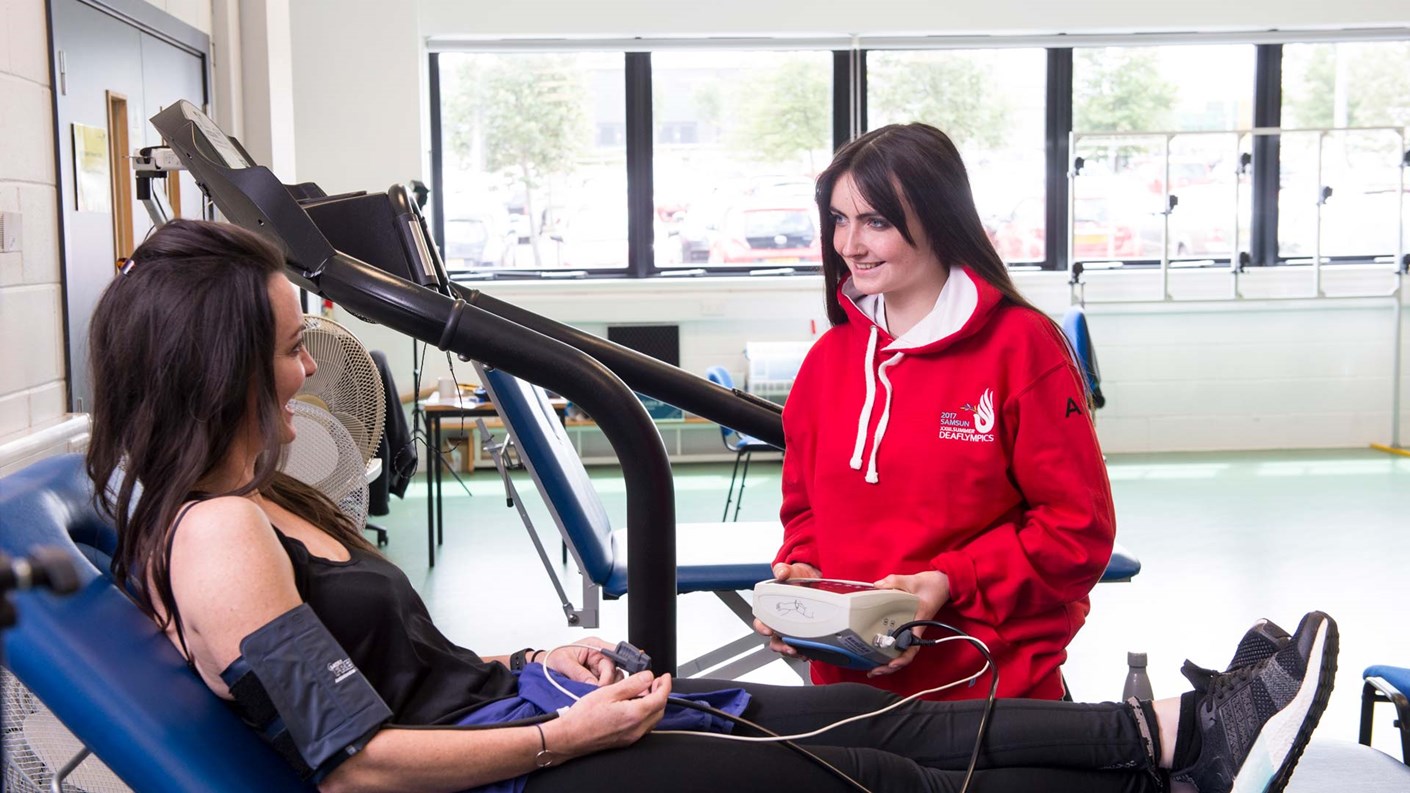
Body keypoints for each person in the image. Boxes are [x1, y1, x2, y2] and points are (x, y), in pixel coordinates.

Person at [85, 219, 1334, 793]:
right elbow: (352, 766)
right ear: (218, 364)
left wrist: (537, 658)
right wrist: (557, 738)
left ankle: (1172, 738)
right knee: (865, 776)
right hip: (504, 773)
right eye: (291, 345)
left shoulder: (270, 496)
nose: (309, 367)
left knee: (879, 723)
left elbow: (391, 672)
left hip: (517, 714)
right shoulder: (217, 537)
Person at [758, 123, 1115, 701]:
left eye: (876, 221)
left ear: (938, 217)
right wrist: (804, 575)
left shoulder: (1023, 349)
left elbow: (1077, 534)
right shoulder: (828, 361)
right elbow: (807, 514)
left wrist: (950, 580)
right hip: (852, 696)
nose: (850, 245)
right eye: (839, 220)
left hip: (990, 689)